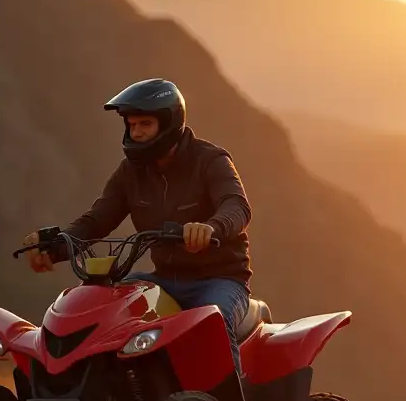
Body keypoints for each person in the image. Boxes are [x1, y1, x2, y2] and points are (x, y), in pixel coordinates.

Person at [23, 78, 252, 371]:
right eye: (132, 125)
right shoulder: (130, 172)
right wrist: (54, 248)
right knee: (102, 307)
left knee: (212, 323)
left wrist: (212, 228)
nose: (137, 132)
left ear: (169, 124)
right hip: (164, 279)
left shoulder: (211, 160)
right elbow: (97, 219)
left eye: (145, 124)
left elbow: (237, 205)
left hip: (220, 281)